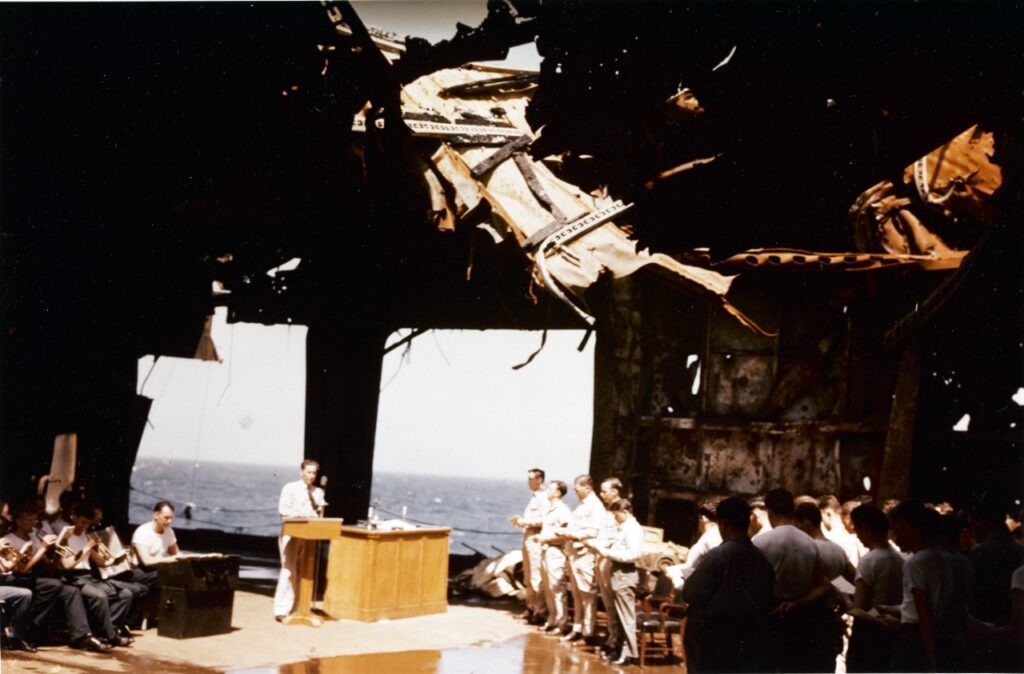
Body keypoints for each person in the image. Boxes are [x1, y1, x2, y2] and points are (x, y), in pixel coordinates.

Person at [682, 497, 775, 673]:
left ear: (723, 524)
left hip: (717, 639)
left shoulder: (717, 556)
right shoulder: (761, 559)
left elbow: (690, 593)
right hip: (750, 639)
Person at [2, 501, 109, 652]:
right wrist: (43, 548)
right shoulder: (9, 540)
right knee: (53, 585)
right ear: (18, 521)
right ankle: (31, 630)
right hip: (16, 579)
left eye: (34, 520)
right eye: (28, 520)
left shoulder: (33, 538)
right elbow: (22, 570)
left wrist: (60, 550)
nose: (33, 524)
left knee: (70, 591)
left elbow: (49, 566)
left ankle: (81, 636)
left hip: (33, 579)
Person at [753, 488, 834, 673]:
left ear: (770, 513)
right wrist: (797, 602)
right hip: (801, 616)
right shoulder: (811, 543)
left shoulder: (761, 542)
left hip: (769, 615)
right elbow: (823, 586)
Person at [887, 500, 953, 672]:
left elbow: (924, 616)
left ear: (906, 527)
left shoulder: (915, 563)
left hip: (914, 639)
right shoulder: (940, 558)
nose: (894, 537)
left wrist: (933, 661)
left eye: (896, 531)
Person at [59, 503, 134, 647]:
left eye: (87, 523)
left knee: (126, 594)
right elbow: (67, 564)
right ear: (74, 518)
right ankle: (111, 636)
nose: (84, 526)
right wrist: (87, 547)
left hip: (88, 577)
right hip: (74, 578)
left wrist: (116, 560)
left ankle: (108, 629)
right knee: (99, 596)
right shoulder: (66, 537)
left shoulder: (86, 537)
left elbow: (100, 562)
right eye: (82, 522)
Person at [844, 503, 904, 673]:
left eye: (857, 529)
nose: (857, 535)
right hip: (892, 635)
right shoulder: (900, 559)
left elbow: (858, 609)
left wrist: (842, 596)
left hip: (869, 635)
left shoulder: (869, 560)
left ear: (866, 528)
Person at [966, 499, 1023, 671]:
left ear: (985, 522)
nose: (971, 530)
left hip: (985, 636)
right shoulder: (1019, 552)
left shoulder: (981, 553)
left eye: (973, 524)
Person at [586, 498, 644, 666]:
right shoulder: (624, 527)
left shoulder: (633, 529)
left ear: (625, 512)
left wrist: (607, 553)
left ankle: (630, 653)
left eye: (617, 515)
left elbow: (633, 554)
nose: (615, 518)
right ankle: (622, 650)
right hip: (618, 574)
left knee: (626, 618)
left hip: (624, 575)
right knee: (620, 616)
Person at [274, 459, 325, 621]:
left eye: (314, 473)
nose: (311, 476)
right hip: (291, 535)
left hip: (308, 537)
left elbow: (319, 516)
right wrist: (300, 516)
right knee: (289, 571)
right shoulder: (290, 488)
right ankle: (281, 610)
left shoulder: (318, 492)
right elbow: (283, 512)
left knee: (304, 571)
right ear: (301, 472)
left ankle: (298, 607)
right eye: (309, 472)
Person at [559, 475, 605, 644]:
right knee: (577, 595)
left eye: (577, 488)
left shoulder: (595, 507)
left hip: (585, 555)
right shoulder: (582, 505)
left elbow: (594, 532)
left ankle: (588, 632)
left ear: (587, 487)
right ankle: (577, 628)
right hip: (574, 554)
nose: (575, 491)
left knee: (587, 595)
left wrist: (569, 534)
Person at [509, 467, 547, 625]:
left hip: (536, 538)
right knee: (528, 576)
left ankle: (539, 611)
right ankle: (530, 607)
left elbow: (544, 520)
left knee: (536, 576)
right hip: (528, 537)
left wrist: (526, 522)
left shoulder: (544, 498)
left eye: (531, 479)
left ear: (539, 480)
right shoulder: (534, 497)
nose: (528, 482)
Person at [535, 480, 572, 635]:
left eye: (550, 488)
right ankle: (552, 619)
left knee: (557, 589)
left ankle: (561, 622)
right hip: (546, 551)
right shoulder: (550, 509)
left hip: (555, 551)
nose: (547, 491)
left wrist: (547, 539)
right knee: (548, 588)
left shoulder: (563, 510)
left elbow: (564, 535)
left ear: (558, 492)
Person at [594, 476, 624, 658]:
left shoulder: (621, 510)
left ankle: (615, 641)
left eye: (605, 491)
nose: (601, 494)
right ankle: (611, 637)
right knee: (607, 602)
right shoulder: (607, 511)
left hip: (610, 560)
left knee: (612, 603)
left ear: (615, 491)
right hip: (601, 558)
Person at [794, 501, 856, 584]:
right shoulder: (838, 549)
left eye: (797, 527)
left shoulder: (807, 550)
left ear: (806, 524)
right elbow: (855, 578)